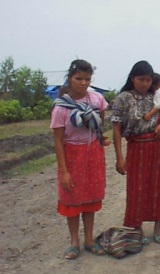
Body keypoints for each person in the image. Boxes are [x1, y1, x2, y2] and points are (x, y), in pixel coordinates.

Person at [50, 59, 109, 259]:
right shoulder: (61, 107)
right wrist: (64, 171)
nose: (83, 83)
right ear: (70, 79)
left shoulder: (96, 100)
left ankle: (90, 240)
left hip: (93, 154)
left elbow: (101, 120)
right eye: (79, 79)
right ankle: (74, 242)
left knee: (90, 197)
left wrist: (102, 137)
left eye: (87, 79)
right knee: (72, 199)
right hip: (72, 156)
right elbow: (58, 141)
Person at [111, 60, 160, 244]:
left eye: (148, 80)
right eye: (141, 79)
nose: (145, 83)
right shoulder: (123, 98)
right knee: (137, 189)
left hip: (157, 148)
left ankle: (157, 225)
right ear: (133, 78)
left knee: (158, 187)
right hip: (136, 147)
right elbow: (116, 128)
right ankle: (137, 228)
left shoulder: (158, 97)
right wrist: (119, 158)